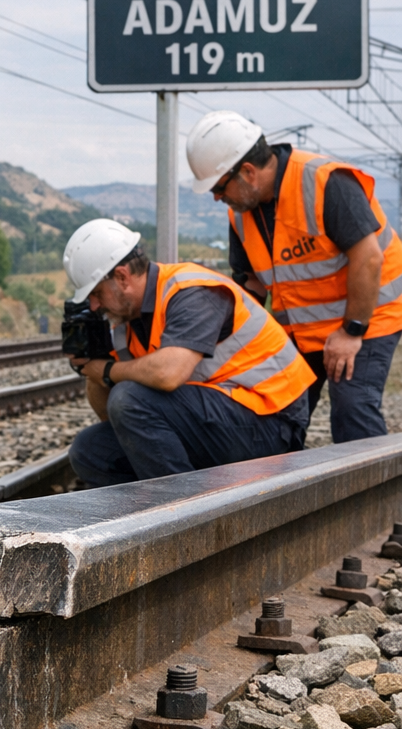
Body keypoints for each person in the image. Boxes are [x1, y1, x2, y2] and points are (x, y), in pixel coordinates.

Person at [187, 110, 402, 444]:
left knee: (352, 406)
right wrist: (219, 337)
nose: (217, 197)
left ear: (248, 172)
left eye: (218, 186)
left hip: (370, 313)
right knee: (279, 406)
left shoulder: (325, 182)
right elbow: (250, 285)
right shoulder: (241, 214)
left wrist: (351, 331)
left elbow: (369, 258)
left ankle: (375, 479)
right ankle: (282, 474)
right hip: (301, 329)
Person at [63, 219, 314, 487]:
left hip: (272, 421)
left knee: (129, 398)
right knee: (89, 450)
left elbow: (168, 374)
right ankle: (153, 506)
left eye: (97, 293)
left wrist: (107, 370)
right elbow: (109, 415)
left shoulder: (192, 291)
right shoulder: (125, 324)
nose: (94, 305)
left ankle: (181, 507)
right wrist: (91, 365)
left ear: (123, 277)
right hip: (216, 420)